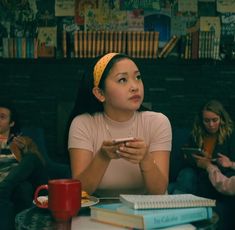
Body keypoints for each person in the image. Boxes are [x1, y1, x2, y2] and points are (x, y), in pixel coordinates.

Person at [68, 52, 172, 197]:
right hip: (98, 211)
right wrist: (103, 157)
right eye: (122, 80)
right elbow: (79, 192)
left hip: (146, 210)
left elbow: (158, 191)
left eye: (138, 77)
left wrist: (145, 158)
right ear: (100, 93)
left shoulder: (158, 122)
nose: (135, 86)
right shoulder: (83, 124)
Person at [173, 99, 235, 230]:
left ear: (221, 119)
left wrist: (228, 163)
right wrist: (191, 158)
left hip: (220, 175)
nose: (211, 125)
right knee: (186, 174)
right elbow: (187, 159)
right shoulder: (196, 134)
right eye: (206, 121)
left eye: (215, 120)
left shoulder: (230, 135)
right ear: (201, 120)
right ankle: (174, 210)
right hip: (198, 172)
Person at [0, 102, 48, 230]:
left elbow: (40, 165)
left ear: (12, 123)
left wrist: (27, 150)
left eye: (2, 117)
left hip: (15, 180)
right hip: (8, 183)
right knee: (24, 188)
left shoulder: (23, 141)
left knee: (32, 158)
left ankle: (3, 190)